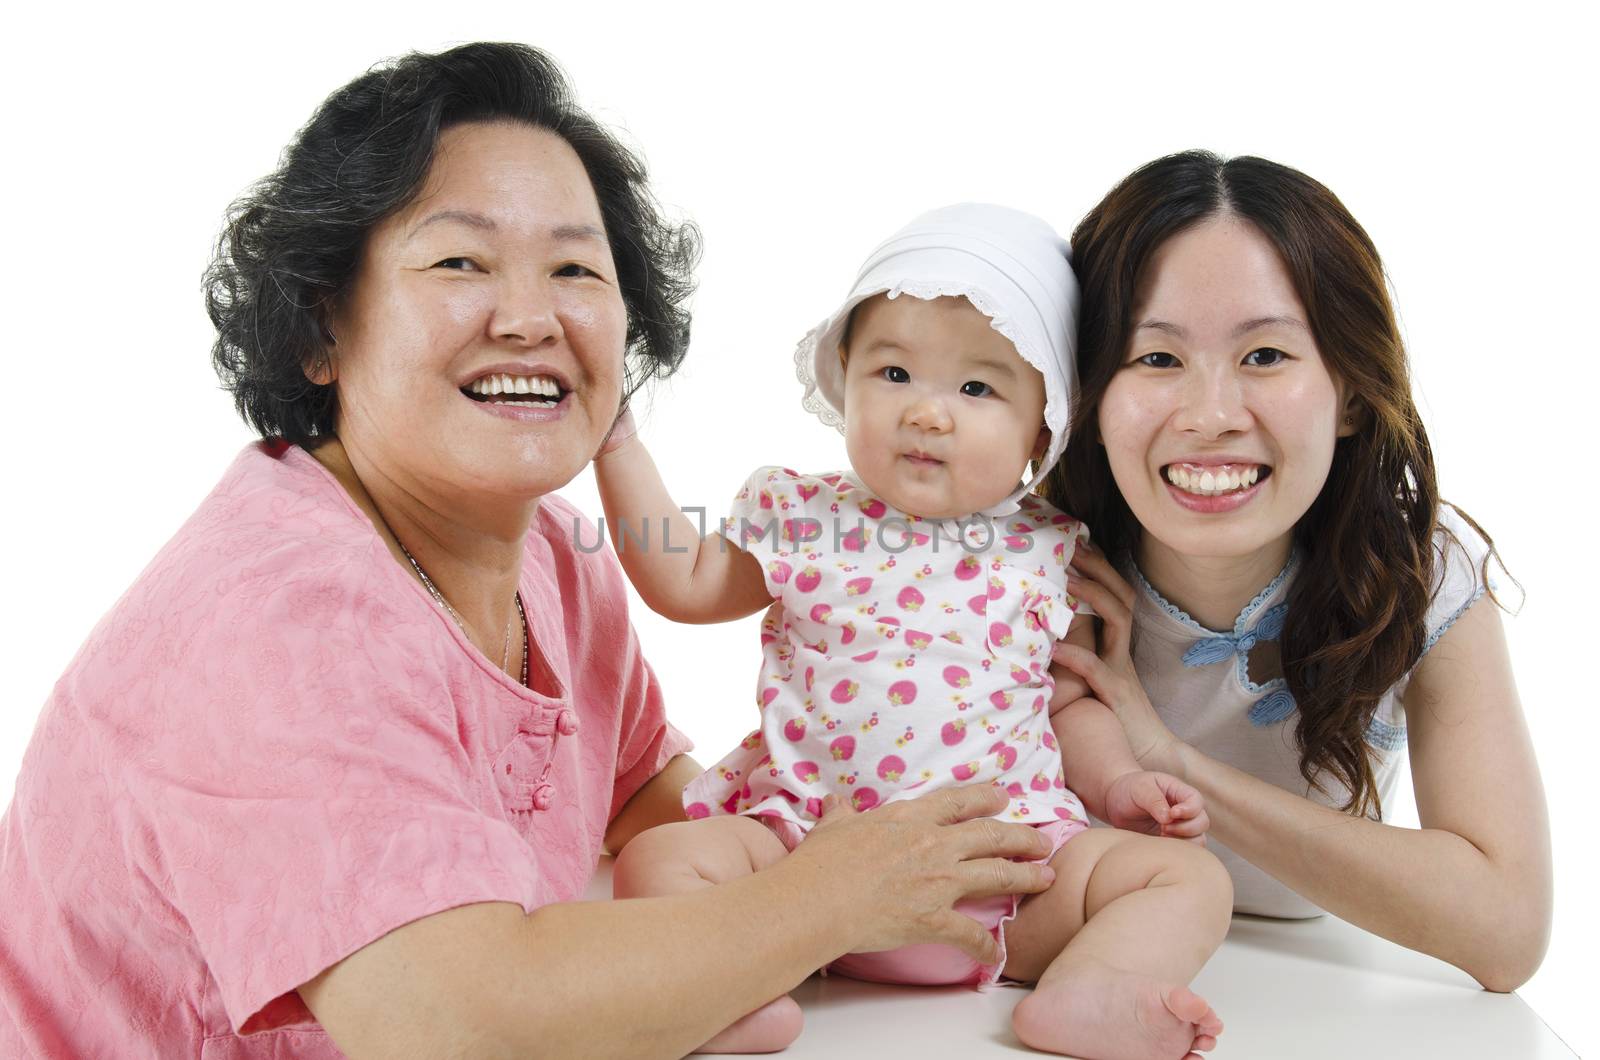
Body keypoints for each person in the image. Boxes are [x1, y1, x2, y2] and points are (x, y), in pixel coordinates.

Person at [0, 44, 1068, 1059]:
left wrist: (876, 817)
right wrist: (828, 896)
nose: (529, 317)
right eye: (461, 260)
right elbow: (458, 1023)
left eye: (573, 269)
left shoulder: (549, 550)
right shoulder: (280, 613)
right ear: (323, 327)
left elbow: (646, 792)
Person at [595, 204, 1233, 1058]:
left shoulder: (1050, 552)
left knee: (1186, 877)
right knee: (659, 859)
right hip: (802, 870)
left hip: (1006, 874)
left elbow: (1071, 706)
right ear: (844, 379)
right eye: (894, 374)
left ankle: (1093, 991)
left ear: (1041, 427)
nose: (928, 413)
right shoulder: (801, 515)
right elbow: (682, 579)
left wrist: (1118, 787)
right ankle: (722, 990)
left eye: (976, 389)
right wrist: (616, 443)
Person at [1045, 150, 1552, 992]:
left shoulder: (1420, 578)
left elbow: (1506, 928)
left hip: (1314, 996)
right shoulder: (1026, 577)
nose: (1210, 417)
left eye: (1267, 357)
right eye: (1156, 360)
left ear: (1350, 392)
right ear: (1090, 399)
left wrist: (1168, 761)